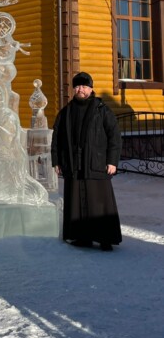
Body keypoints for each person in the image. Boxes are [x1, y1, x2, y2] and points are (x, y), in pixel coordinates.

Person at [51, 72, 122, 251]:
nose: (80, 89)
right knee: (76, 201)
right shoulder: (66, 112)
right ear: (73, 88)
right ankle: (82, 237)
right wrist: (57, 161)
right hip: (73, 164)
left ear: (91, 88)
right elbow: (57, 139)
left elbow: (114, 136)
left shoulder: (102, 110)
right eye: (77, 86)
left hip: (96, 163)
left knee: (100, 202)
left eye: (84, 86)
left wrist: (112, 161)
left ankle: (106, 238)